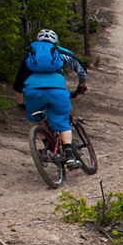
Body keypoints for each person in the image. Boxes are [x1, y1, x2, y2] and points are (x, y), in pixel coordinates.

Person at [12, 28, 88, 169]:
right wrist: (81, 86)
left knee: (36, 118)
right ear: (55, 41)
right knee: (62, 121)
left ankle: (45, 140)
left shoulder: (31, 55)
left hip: (33, 92)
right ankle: (70, 155)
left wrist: (21, 104)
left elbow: (17, 85)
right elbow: (81, 70)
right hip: (57, 91)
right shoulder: (60, 52)